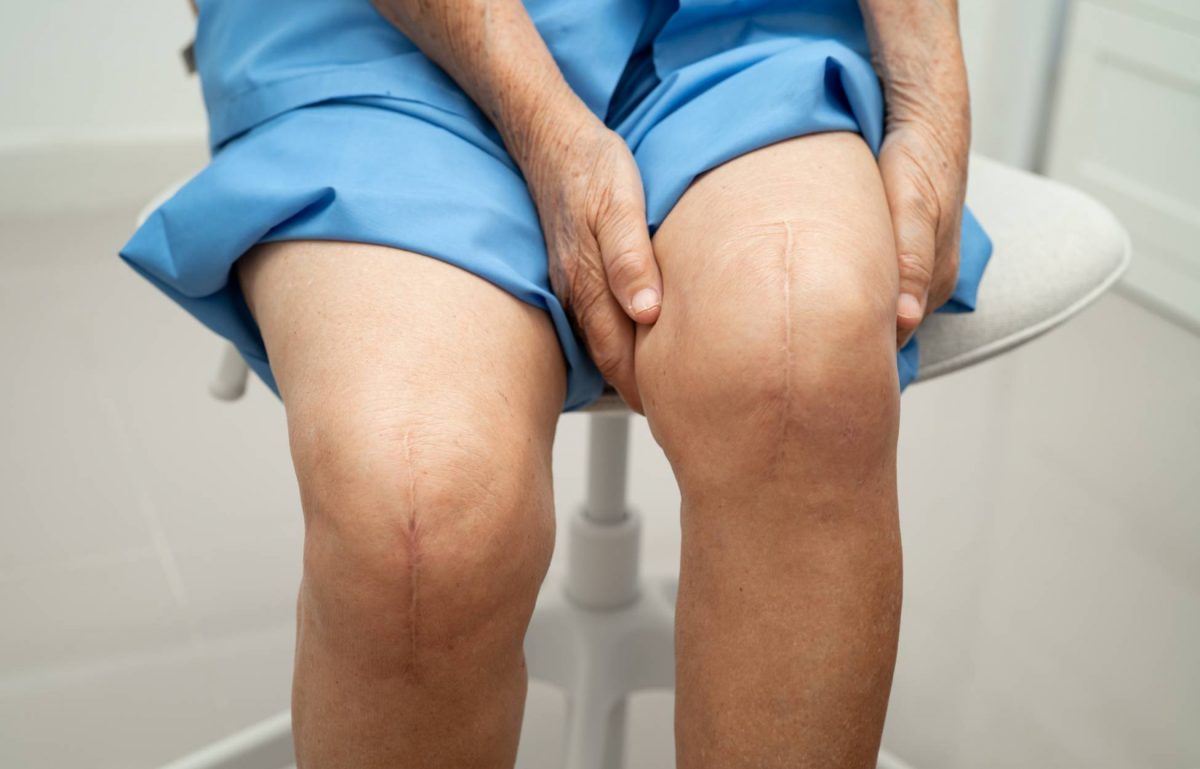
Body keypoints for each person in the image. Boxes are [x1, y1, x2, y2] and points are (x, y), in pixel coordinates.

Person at [121, 0, 991, 766]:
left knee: (803, 375)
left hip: (736, 24)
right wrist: (548, 129)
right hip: (375, 34)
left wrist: (929, 91)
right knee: (420, 512)